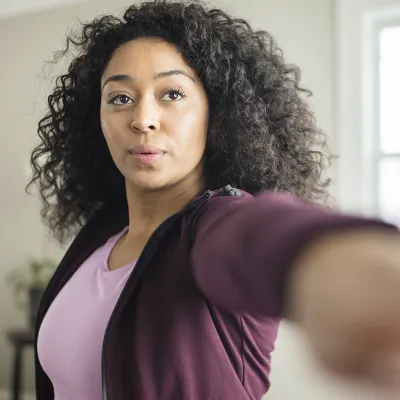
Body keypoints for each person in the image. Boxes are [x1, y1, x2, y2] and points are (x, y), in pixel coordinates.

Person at [27, 1, 400, 399]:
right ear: (96, 118)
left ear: (215, 113)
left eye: (171, 93)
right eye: (120, 98)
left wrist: (331, 260)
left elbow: (259, 239)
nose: (143, 118)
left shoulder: (213, 226)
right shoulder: (101, 233)